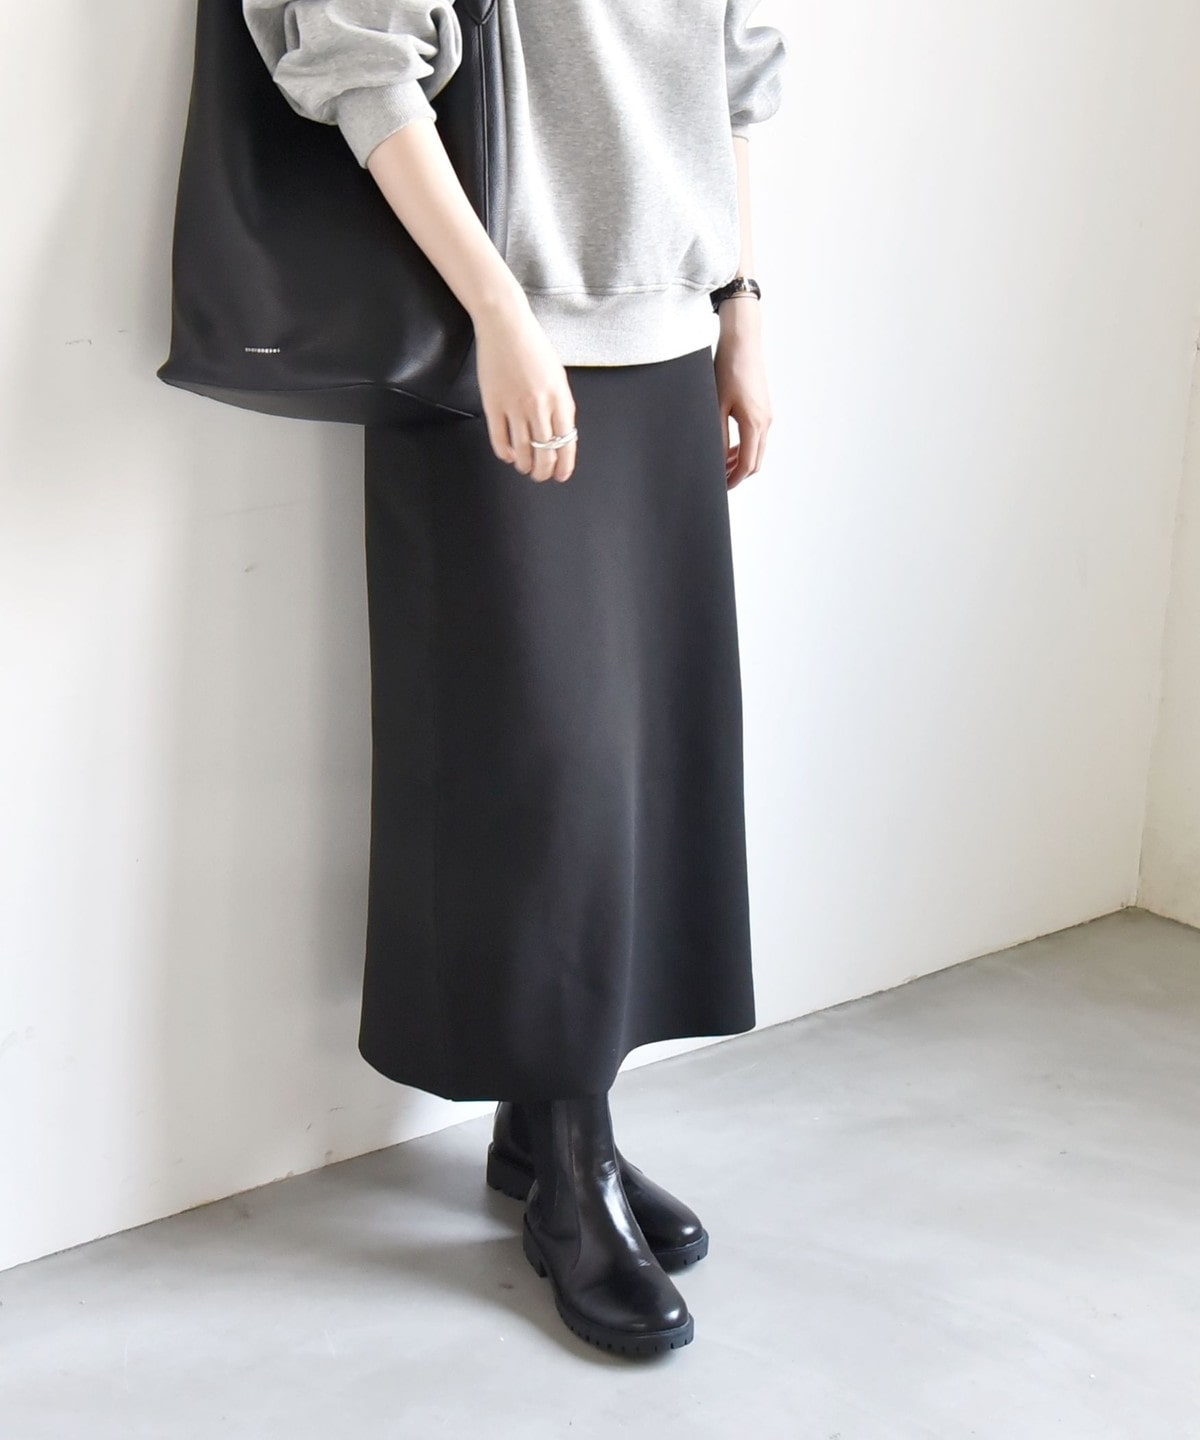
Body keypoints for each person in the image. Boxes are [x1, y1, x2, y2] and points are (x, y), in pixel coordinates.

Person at [242, 0, 787, 1358]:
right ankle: (567, 1164)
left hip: (663, 334)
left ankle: (552, 1132)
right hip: (490, 345)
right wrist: (497, 308)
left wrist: (739, 304)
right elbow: (362, 59)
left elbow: (728, 71)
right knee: (536, 765)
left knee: (641, 756)